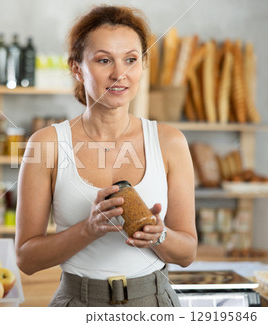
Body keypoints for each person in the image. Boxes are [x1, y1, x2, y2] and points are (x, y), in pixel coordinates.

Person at [15, 5, 197, 307]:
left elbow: (187, 253)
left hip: (153, 302)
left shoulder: (169, 142)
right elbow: (26, 259)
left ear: (143, 64)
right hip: (77, 302)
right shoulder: (46, 144)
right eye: (104, 60)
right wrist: (88, 230)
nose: (119, 74)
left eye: (130, 59)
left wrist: (159, 235)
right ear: (76, 67)